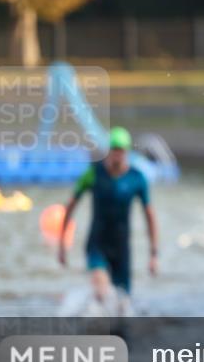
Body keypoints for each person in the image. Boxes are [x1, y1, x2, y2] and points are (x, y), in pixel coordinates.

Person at [59, 127, 159, 310]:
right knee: (102, 292)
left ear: (127, 152)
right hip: (97, 244)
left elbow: (149, 216)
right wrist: (62, 245)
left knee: (122, 306)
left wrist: (153, 254)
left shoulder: (137, 178)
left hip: (122, 249)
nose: (116, 155)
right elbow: (71, 206)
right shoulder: (93, 174)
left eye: (120, 150)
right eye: (113, 150)